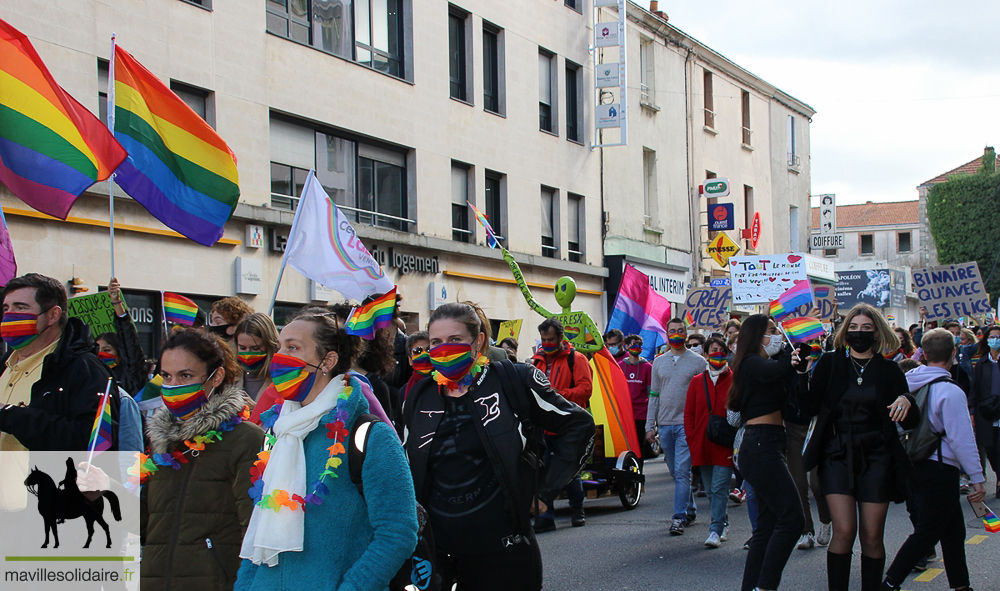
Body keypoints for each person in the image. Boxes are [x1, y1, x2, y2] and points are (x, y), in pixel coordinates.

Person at [403, 302, 595, 590]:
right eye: (436, 342)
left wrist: (544, 490)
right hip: (437, 552)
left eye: (455, 340)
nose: (444, 349)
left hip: (503, 549)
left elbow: (578, 425)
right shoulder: (420, 394)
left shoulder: (512, 380)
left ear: (478, 341)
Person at [236, 312, 418, 591]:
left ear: (327, 361)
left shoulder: (369, 436)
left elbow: (399, 531)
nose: (279, 356)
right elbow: (259, 527)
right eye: (280, 346)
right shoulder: (277, 432)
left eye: (293, 347)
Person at [796, 304, 919, 591]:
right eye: (853, 328)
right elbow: (808, 408)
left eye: (866, 328)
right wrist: (802, 375)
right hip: (836, 452)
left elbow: (910, 418)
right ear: (844, 332)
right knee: (844, 530)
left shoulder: (889, 370)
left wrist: (907, 400)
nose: (859, 333)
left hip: (877, 454)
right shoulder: (830, 363)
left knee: (872, 535)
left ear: (877, 332)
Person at [142, 328, 264, 590]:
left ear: (216, 376)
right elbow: (148, 522)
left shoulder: (245, 439)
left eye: (185, 375)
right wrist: (102, 493)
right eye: (166, 376)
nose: (173, 386)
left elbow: (254, 529)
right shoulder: (163, 440)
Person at [0, 273, 121, 515]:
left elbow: (91, 444)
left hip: (50, 519)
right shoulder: (5, 365)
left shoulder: (85, 370)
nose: (9, 316)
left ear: (53, 315)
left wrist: (11, 416)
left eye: (21, 307)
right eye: (6, 308)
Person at [882, 328, 986, 591]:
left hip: (913, 462)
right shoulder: (950, 391)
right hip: (941, 467)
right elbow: (962, 440)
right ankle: (889, 584)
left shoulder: (907, 383)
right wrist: (977, 478)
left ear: (924, 354)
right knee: (926, 533)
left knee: (953, 532)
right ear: (954, 352)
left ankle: (962, 586)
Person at [729, 314, 803, 591]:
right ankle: (766, 586)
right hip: (760, 445)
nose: (778, 336)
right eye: (772, 331)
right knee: (793, 518)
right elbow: (776, 372)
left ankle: (753, 587)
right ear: (757, 335)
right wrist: (788, 352)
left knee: (767, 524)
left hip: (770, 442)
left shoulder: (764, 365)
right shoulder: (749, 363)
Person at [646, 318, 708, 535]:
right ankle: (689, 509)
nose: (676, 334)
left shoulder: (699, 362)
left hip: (686, 425)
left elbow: (705, 395)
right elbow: (654, 395)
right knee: (675, 472)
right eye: (672, 331)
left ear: (686, 332)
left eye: (680, 330)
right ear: (667, 333)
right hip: (664, 425)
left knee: (683, 472)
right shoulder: (659, 362)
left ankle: (679, 517)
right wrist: (649, 426)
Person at [531, 317, 593, 531]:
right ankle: (547, 516)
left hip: (570, 425)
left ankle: (578, 508)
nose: (546, 343)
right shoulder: (536, 360)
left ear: (560, 337)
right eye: (543, 339)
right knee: (545, 470)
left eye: (550, 339)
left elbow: (586, 389)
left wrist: (558, 396)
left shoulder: (576, 359)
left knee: (569, 470)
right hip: (545, 426)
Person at [684, 336, 734, 549]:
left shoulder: (735, 379)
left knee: (720, 486)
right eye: (713, 350)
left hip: (725, 442)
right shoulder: (697, 382)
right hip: (702, 443)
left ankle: (714, 529)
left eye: (722, 350)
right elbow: (689, 413)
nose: (718, 354)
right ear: (705, 354)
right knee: (712, 491)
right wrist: (692, 437)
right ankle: (723, 522)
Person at [97, 277, 149, 396]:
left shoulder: (129, 375)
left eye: (106, 350)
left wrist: (116, 302)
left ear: (119, 354)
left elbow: (128, 341)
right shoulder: (92, 377)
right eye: (97, 350)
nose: (100, 354)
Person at [969, 324, 1000, 499]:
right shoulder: (981, 363)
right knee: (990, 449)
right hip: (986, 412)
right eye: (992, 337)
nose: (995, 340)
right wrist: (973, 411)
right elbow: (975, 389)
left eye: (998, 337)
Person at [619, 335, 654, 462]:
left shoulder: (648, 367)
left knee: (639, 447)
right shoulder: (620, 366)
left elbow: (651, 393)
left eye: (639, 344)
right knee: (625, 448)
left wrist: (652, 416)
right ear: (626, 346)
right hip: (625, 415)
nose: (636, 347)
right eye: (633, 344)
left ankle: (638, 474)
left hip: (641, 415)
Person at [233, 313, 279, 402]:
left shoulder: (281, 379)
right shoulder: (229, 377)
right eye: (242, 348)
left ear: (269, 346)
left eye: (255, 348)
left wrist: (256, 409)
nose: (248, 354)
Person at [402, 330, 432, 399]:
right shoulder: (404, 391)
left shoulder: (447, 387)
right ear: (410, 360)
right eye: (417, 351)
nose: (424, 355)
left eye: (428, 350)